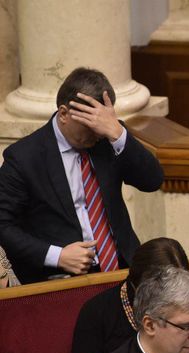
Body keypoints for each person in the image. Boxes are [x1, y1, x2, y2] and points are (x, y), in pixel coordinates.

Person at [0, 67, 164, 284]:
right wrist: (57, 256)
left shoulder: (107, 137)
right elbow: (3, 225)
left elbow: (152, 180)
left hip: (122, 266)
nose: (97, 132)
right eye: (89, 124)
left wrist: (117, 133)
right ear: (64, 114)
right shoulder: (24, 158)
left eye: (101, 121)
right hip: (61, 277)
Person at [70, 237, 189, 353]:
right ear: (139, 287)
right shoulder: (97, 312)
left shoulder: (188, 301)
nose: (175, 299)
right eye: (166, 294)